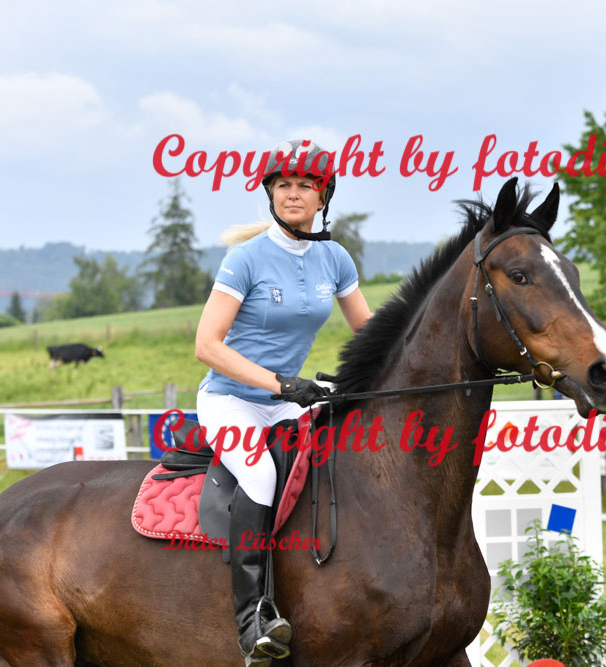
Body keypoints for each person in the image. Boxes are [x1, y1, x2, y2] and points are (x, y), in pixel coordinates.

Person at [194, 139, 371, 663]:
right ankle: (252, 620)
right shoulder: (245, 258)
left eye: (305, 186)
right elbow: (207, 346)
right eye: (284, 185)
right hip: (230, 401)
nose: (294, 194)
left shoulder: (335, 258)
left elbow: (370, 336)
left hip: (287, 401)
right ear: (271, 194)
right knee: (261, 475)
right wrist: (280, 383)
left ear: (323, 197)